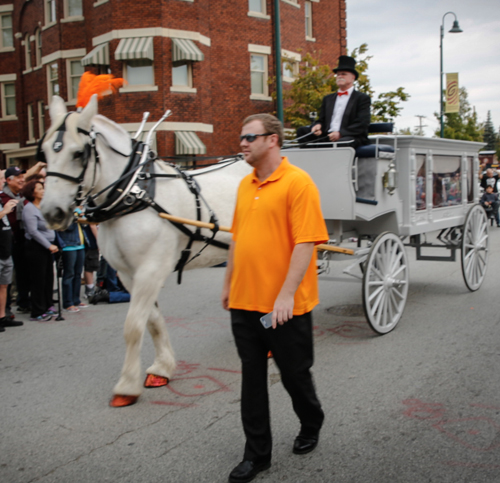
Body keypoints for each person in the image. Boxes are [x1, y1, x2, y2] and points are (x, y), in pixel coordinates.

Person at [221, 114, 328, 483]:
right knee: (252, 378)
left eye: (250, 137)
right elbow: (237, 238)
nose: (243, 143)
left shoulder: (298, 183)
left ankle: (311, 421)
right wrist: (227, 284)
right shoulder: (243, 185)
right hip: (244, 301)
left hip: (284, 307)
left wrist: (285, 295)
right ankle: (257, 456)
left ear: (273, 140)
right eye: (241, 137)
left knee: (294, 374)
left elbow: (305, 242)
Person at [297, 55, 371, 149]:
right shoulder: (328, 99)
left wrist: (341, 133)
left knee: (342, 143)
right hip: (328, 136)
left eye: (343, 74)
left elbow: (362, 123)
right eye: (338, 74)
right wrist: (317, 126)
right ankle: (309, 162)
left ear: (353, 77)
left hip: (350, 136)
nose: (340, 76)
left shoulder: (362, 98)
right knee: (302, 131)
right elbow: (322, 120)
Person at [21, 180, 58, 321]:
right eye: (40, 188)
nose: (43, 190)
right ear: (32, 192)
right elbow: (33, 231)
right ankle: (37, 310)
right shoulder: (29, 208)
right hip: (36, 247)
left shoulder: (43, 206)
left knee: (49, 278)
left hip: (49, 246)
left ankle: (48, 305)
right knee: (38, 279)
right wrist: (48, 245)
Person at [0, 166, 31, 314]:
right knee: (6, 280)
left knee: (23, 273)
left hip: (22, 240)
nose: (22, 180)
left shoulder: (23, 197)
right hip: (6, 242)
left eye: (22, 177)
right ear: (8, 180)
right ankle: (5, 310)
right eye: (18, 177)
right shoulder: (2, 198)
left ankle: (23, 302)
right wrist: (4, 210)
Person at [0, 170, 23, 332]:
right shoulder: (4, 203)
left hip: (6, 248)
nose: (2, 181)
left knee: (4, 286)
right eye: (1, 178)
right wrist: (4, 212)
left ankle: (2, 317)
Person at [57, 221, 87, 312]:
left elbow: (86, 223)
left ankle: (76, 300)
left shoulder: (77, 211)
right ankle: (68, 303)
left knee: (78, 274)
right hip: (68, 245)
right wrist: (75, 217)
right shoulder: (67, 212)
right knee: (69, 274)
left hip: (80, 245)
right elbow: (65, 227)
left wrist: (82, 216)